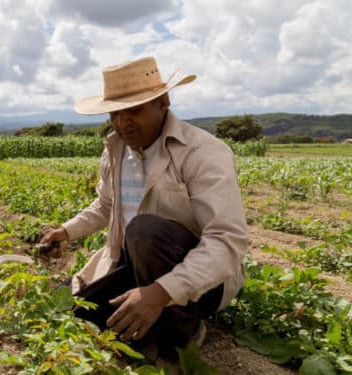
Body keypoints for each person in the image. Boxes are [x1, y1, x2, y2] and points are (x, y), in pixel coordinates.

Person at [39, 56, 248, 361]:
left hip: (201, 279)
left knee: (145, 231)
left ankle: (182, 333)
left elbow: (227, 240)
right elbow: (105, 205)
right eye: (115, 114)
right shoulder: (116, 149)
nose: (123, 123)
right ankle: (148, 315)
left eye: (134, 111)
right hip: (134, 265)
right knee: (77, 319)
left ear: (162, 103)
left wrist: (161, 292)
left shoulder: (202, 152)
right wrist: (66, 231)